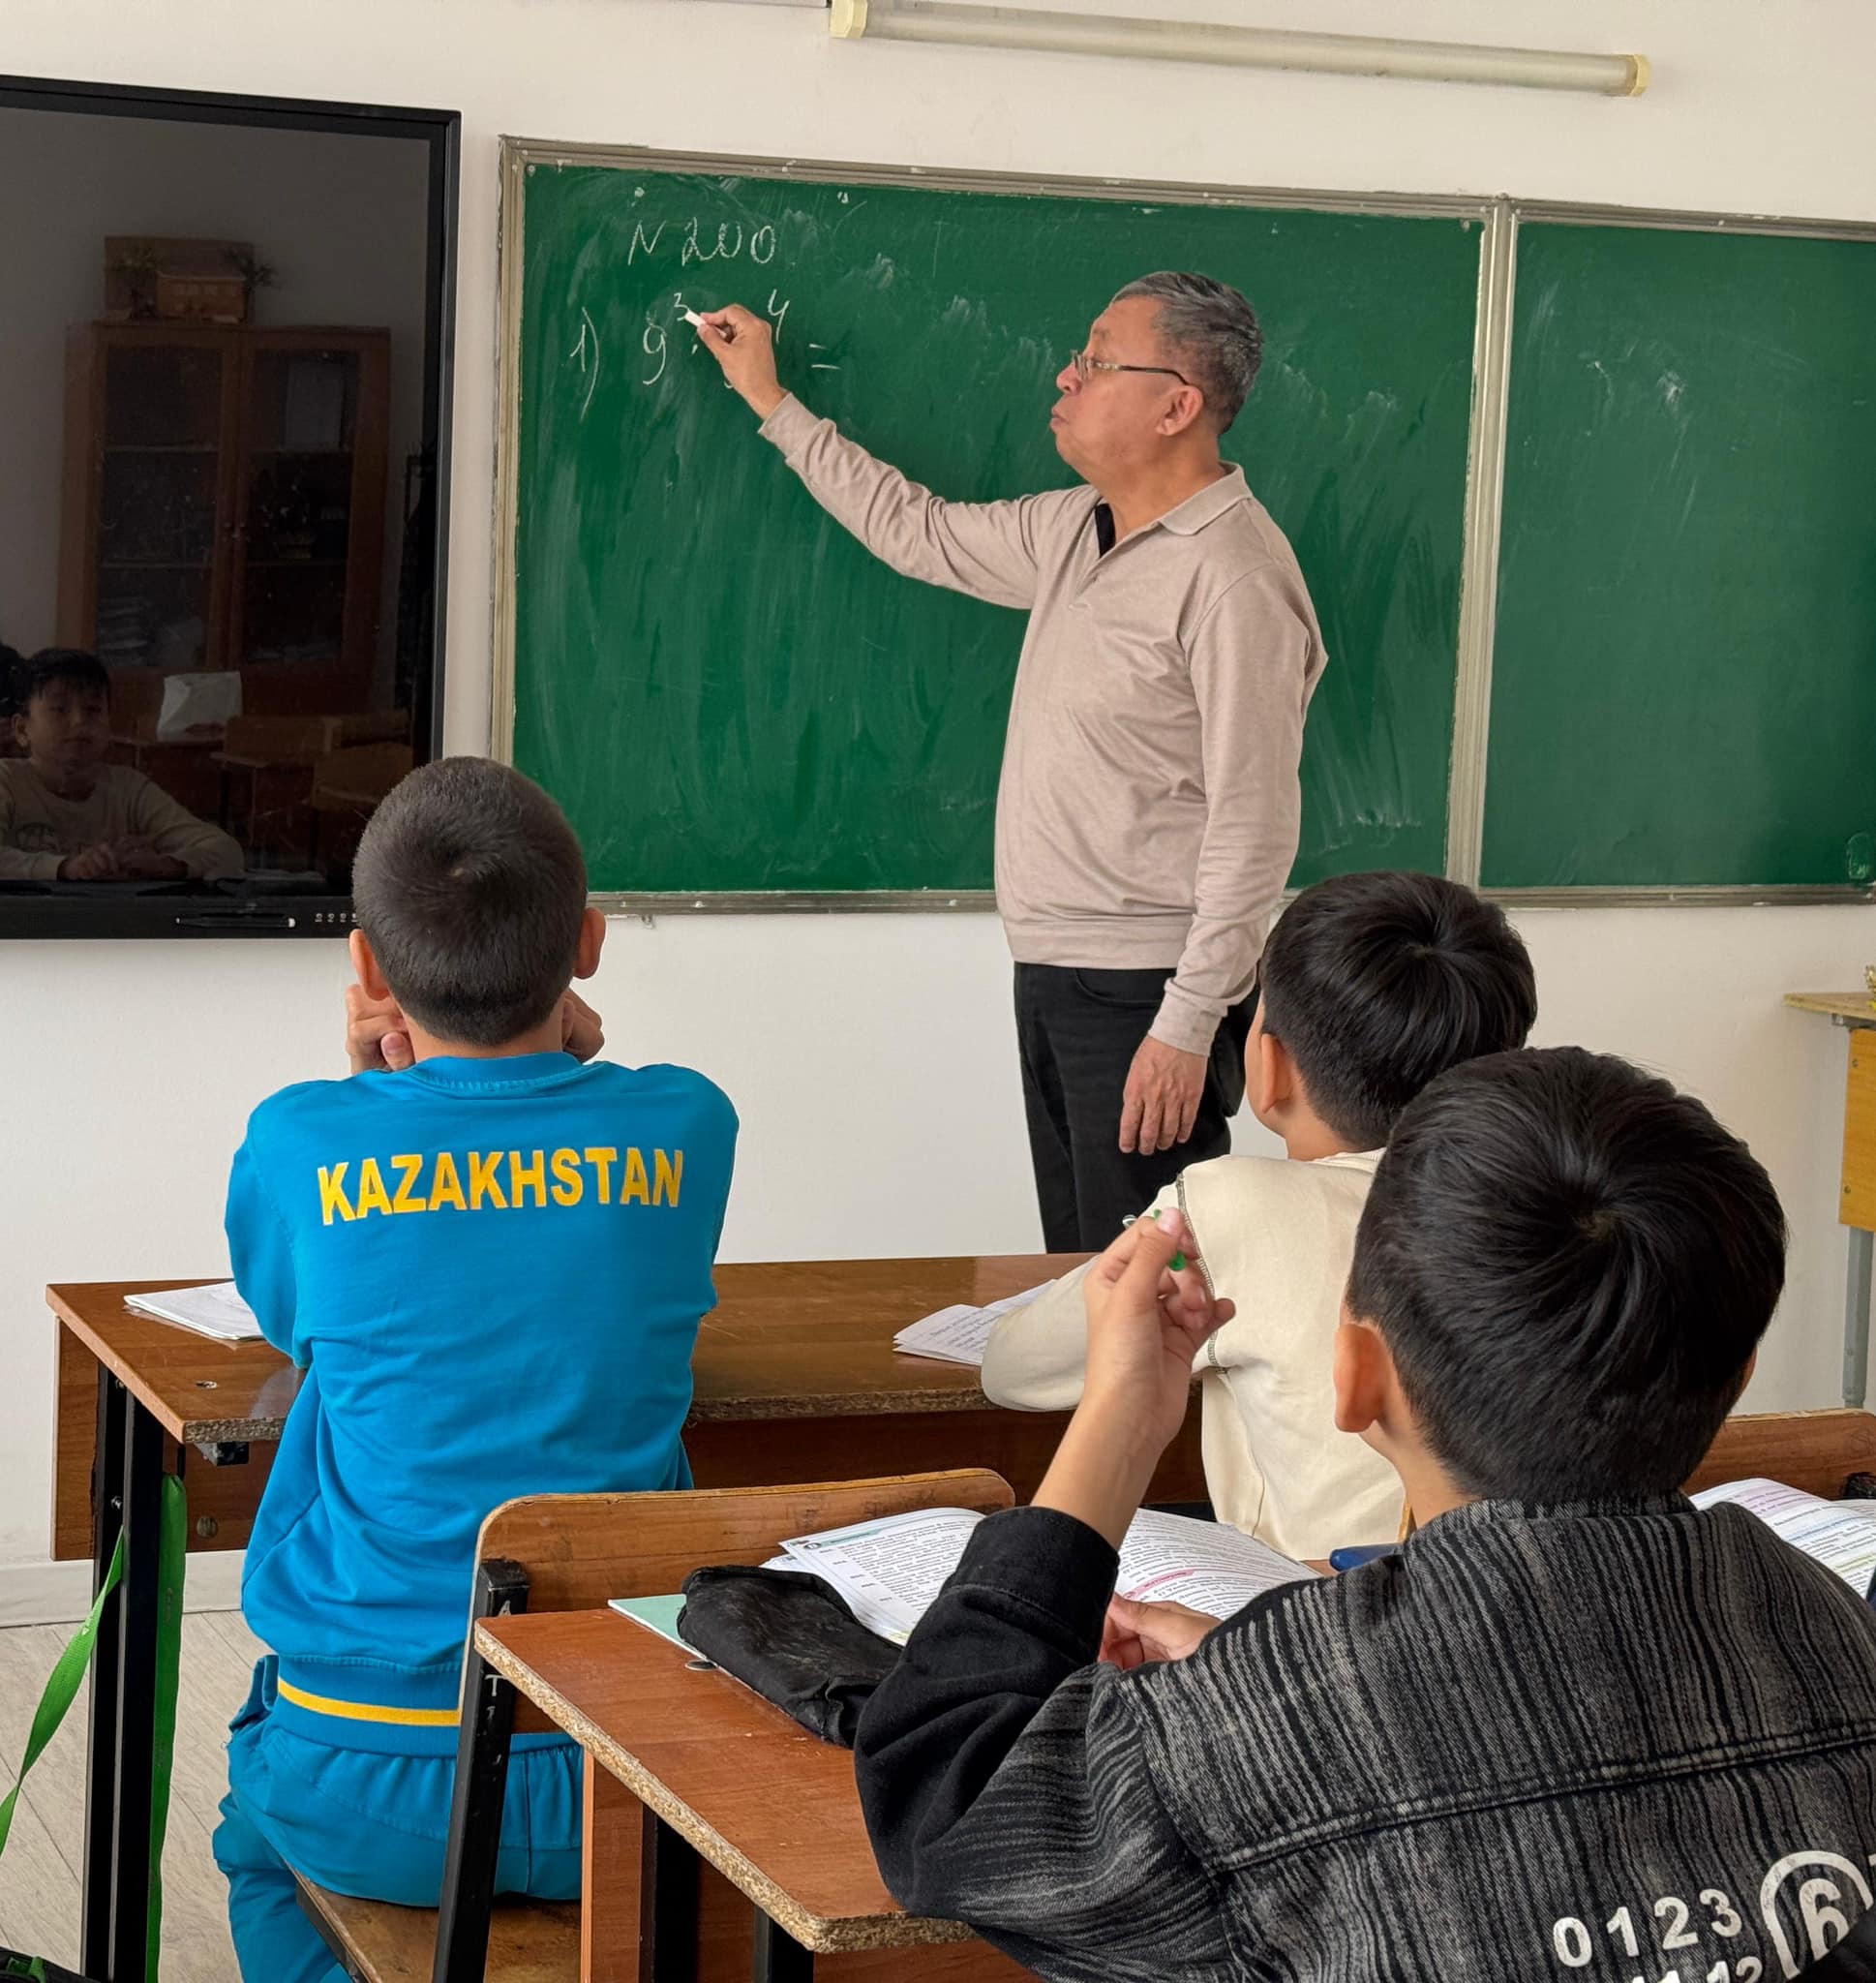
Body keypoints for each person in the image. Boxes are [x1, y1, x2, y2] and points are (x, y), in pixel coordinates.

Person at [853, 1048, 1876, 1982]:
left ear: (1356, 1377)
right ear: (1739, 1376)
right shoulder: (1835, 1629)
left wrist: (1122, 1421)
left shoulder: (1265, 1741)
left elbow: (946, 1800)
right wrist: (1263, 1671)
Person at [211, 757, 739, 1983]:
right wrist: (568, 1048)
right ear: (588, 943)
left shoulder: (300, 1137)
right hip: (626, 1760)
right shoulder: (688, 1120)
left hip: (366, 1772)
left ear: (369, 964)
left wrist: (377, 1092)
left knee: (258, 1847)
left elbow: (301, 1320)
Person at [695, 273, 1326, 1250]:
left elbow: (1256, 825)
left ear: (1176, 407)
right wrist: (770, 400)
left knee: (1144, 1283)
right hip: (1055, 966)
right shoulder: (1075, 525)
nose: (1068, 375)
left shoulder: (1233, 577)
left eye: (1099, 360)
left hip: (1145, 987)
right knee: (1080, 1270)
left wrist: (1188, 1022)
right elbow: (919, 530)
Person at [980, 869, 1536, 1559]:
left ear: (1269, 1067)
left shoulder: (1231, 1205)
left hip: (1315, 1607)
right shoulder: (1565, 1201)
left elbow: (1012, 1368)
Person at [0, 647, 243, 881]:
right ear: (21, 729)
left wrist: (167, 864)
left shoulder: (129, 789)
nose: (79, 721)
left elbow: (225, 849)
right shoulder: (7, 781)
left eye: (93, 710)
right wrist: (65, 867)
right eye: (60, 709)